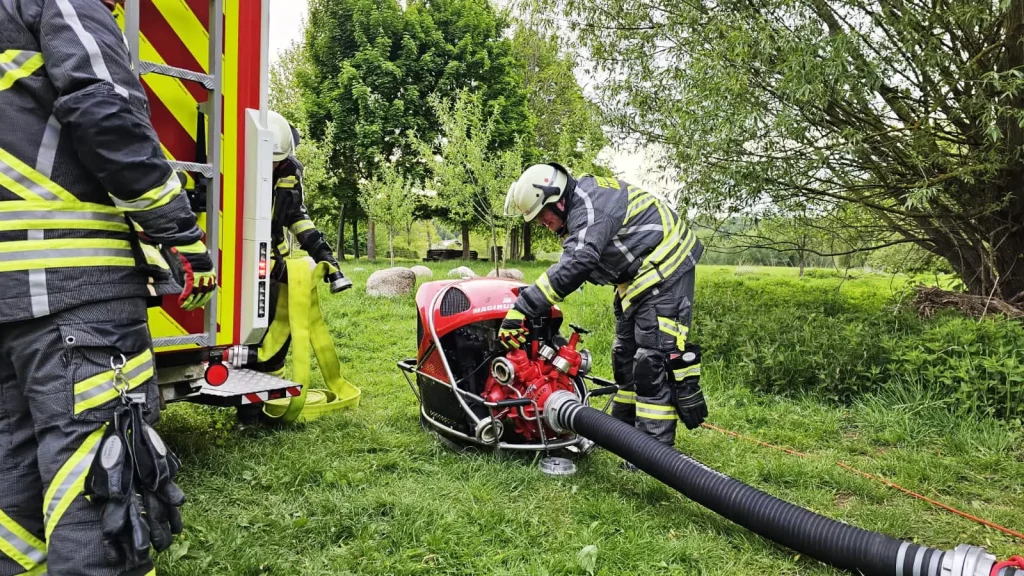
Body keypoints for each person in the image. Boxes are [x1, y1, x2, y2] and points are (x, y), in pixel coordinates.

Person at [0, 0, 215, 574]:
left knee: (12, 489)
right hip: (76, 295)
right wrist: (180, 231)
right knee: (100, 492)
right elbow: (103, 109)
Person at [501, 163, 707, 453]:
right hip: (636, 279)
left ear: (558, 200)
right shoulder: (579, 207)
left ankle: (653, 455)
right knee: (624, 357)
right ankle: (619, 436)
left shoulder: (590, 205)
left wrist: (523, 308)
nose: (540, 223)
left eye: (542, 214)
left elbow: (579, 261)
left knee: (651, 363)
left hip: (667, 267)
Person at [249, 111, 350, 380]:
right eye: (268, 161)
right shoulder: (239, 165)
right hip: (240, 257)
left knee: (279, 323)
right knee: (247, 325)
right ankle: (247, 373)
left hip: (272, 255)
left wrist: (322, 253)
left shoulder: (290, 169)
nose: (273, 166)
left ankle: (269, 386)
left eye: (278, 161)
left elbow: (296, 216)